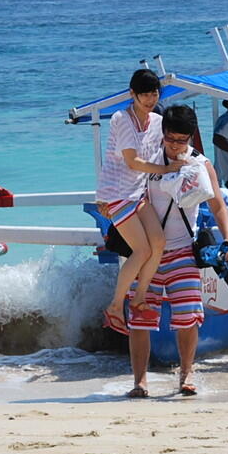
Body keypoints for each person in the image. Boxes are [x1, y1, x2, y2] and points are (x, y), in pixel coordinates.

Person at [126, 104, 228, 397]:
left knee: (187, 317)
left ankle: (186, 375)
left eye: (181, 141)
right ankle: (140, 381)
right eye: (170, 139)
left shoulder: (201, 164)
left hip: (184, 250)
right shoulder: (148, 161)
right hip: (147, 252)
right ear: (162, 134)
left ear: (191, 138)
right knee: (140, 318)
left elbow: (218, 205)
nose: (175, 146)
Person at [95, 69, 183, 334]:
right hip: (116, 194)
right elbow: (132, 161)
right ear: (132, 94)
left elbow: (167, 149)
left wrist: (191, 162)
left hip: (139, 193)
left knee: (159, 243)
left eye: (154, 93)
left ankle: (139, 298)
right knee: (142, 250)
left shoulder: (156, 121)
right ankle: (114, 308)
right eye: (144, 93)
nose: (149, 98)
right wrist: (168, 171)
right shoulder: (121, 119)